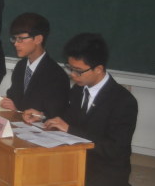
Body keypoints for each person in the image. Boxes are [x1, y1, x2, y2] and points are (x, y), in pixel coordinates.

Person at [25, 33, 138, 186]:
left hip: (105, 172)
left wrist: (70, 130)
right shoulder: (78, 90)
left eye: (78, 71)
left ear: (98, 69)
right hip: (77, 162)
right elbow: (67, 120)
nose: (73, 75)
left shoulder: (123, 101)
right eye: (70, 68)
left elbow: (114, 150)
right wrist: (42, 117)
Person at [0, 13, 69, 118]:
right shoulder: (21, 66)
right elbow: (13, 97)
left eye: (20, 39)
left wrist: (17, 111)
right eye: (14, 38)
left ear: (38, 39)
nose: (16, 43)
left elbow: (54, 115)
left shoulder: (56, 75)